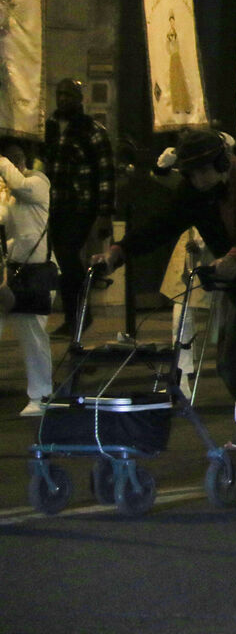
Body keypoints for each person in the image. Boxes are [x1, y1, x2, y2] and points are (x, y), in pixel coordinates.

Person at [95, 128, 236, 497]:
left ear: (222, 162)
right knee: (231, 365)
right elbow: (163, 223)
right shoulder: (195, 189)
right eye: (190, 174)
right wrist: (119, 252)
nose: (196, 180)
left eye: (202, 171)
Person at [44, 78, 114, 339]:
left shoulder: (92, 130)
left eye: (69, 95)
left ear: (80, 99)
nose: (63, 99)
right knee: (63, 261)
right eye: (60, 94)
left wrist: (105, 212)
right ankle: (73, 318)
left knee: (68, 256)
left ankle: (80, 316)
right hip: (55, 204)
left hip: (81, 204)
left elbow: (105, 172)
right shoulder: (50, 126)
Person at [0, 138, 52, 416]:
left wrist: (1, 162)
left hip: (34, 273)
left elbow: (20, 186)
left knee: (33, 337)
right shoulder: (11, 193)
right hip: (12, 272)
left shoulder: (38, 183)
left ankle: (41, 395)